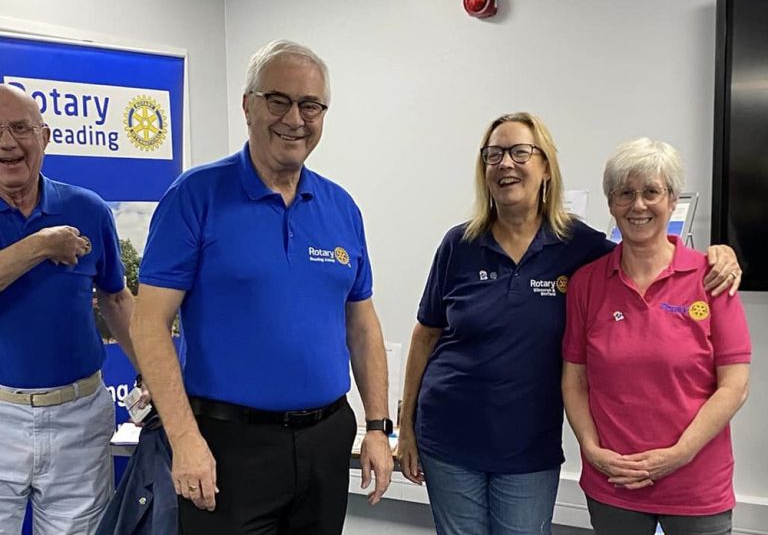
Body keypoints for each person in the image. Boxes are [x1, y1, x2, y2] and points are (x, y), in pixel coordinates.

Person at [397, 113, 741, 535]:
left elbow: (645, 247)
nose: (506, 163)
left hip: (528, 447)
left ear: (545, 168)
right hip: (447, 437)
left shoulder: (582, 248)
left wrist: (721, 253)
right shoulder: (459, 243)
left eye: (520, 152)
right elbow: (425, 334)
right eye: (494, 154)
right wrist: (405, 426)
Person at [131, 40, 393, 535]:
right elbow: (149, 323)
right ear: (248, 105)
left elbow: (362, 325)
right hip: (227, 446)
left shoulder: (341, 208)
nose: (295, 118)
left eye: (310, 105)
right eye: (279, 100)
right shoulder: (196, 196)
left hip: (325, 441)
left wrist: (378, 427)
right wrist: (185, 439)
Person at [562, 138, 750, 535]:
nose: (638, 205)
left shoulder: (711, 277)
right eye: (625, 193)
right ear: (611, 204)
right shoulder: (587, 283)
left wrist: (679, 455)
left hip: (696, 484)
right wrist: (593, 452)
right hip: (615, 482)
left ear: (672, 199)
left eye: (651, 192)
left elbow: (734, 386)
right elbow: (575, 381)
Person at [0, 84, 139, 534]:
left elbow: (117, 299)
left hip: (78, 418)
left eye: (20, 128)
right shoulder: (56, 233)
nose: (7, 143)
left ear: (45, 136)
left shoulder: (88, 209)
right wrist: (41, 245)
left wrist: (157, 378)